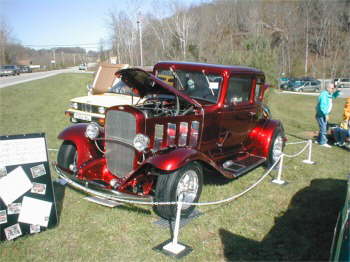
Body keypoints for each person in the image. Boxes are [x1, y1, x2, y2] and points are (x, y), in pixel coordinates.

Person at [315, 82, 340, 147]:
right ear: (328, 88)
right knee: (323, 128)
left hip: (323, 114)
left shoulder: (328, 94)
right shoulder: (324, 94)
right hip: (321, 114)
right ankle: (323, 142)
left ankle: (319, 140)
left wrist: (337, 92)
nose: (333, 89)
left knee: (323, 128)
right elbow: (322, 105)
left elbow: (333, 97)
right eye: (332, 88)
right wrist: (326, 114)